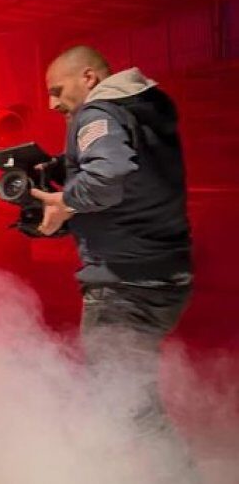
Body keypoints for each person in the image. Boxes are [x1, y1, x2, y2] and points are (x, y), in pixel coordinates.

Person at [32, 45, 197, 480]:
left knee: (126, 404)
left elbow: (108, 175)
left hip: (124, 283)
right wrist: (67, 172)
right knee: (124, 396)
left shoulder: (98, 112)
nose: (51, 103)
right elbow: (132, 178)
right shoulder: (144, 109)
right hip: (167, 277)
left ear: (88, 77)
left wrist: (66, 202)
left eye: (57, 90)